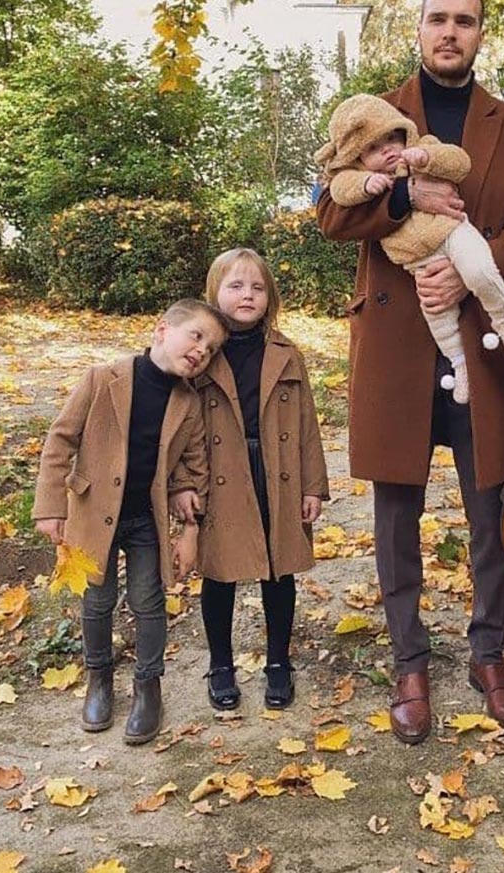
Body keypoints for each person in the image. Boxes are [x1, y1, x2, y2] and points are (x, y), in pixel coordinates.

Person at [318, 0, 504, 744]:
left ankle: (489, 654)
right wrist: (406, 200)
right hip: (396, 340)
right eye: (438, 19)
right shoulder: (372, 111)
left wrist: (481, 268)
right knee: (395, 511)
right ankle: (409, 660)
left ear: (482, 33)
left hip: (479, 333)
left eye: (465, 21)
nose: (450, 32)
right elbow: (329, 210)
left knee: (493, 504)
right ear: (418, 29)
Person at [33, 298, 229, 744]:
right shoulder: (104, 379)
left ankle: (148, 687)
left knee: (148, 601)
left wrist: (186, 504)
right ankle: (99, 680)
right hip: (91, 516)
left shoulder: (188, 402)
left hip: (146, 519)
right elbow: (61, 439)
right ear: (162, 330)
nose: (202, 351)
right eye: (196, 336)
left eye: (212, 349)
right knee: (97, 602)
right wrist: (50, 506)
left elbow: (193, 462)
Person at [171, 248, 329, 711]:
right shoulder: (200, 355)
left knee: (279, 572)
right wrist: (182, 483)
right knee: (219, 573)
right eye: (236, 286)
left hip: (276, 471)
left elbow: (307, 422)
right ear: (214, 293)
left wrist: (312, 485)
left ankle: (278, 662)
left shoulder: (286, 353)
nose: (247, 295)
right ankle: (221, 664)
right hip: (219, 475)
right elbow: (177, 424)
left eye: (257, 287)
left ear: (270, 296)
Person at [315, 92, 504, 403]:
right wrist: (404, 193)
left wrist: (470, 272)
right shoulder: (376, 109)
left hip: (458, 245)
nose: (386, 149)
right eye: (373, 147)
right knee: (438, 320)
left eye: (390, 139)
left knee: (478, 270)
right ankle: (459, 365)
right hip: (404, 305)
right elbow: (332, 213)